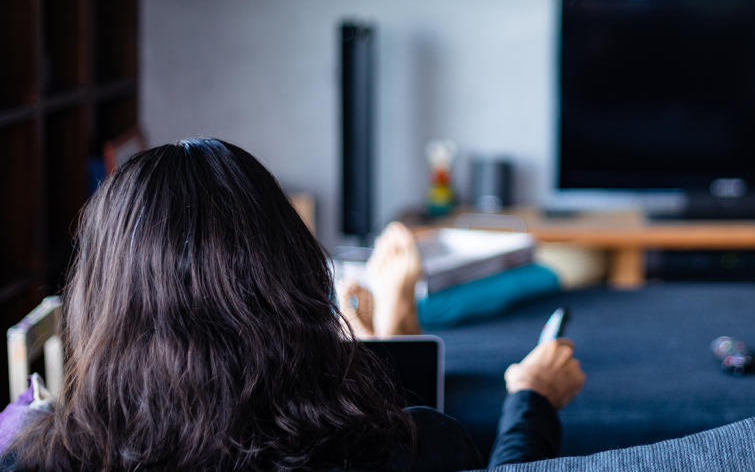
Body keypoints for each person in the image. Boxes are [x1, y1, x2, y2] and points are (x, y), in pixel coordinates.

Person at [2, 138, 584, 471]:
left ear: (99, 298)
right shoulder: (415, 448)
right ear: (299, 277)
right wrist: (531, 403)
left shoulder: (30, 459)